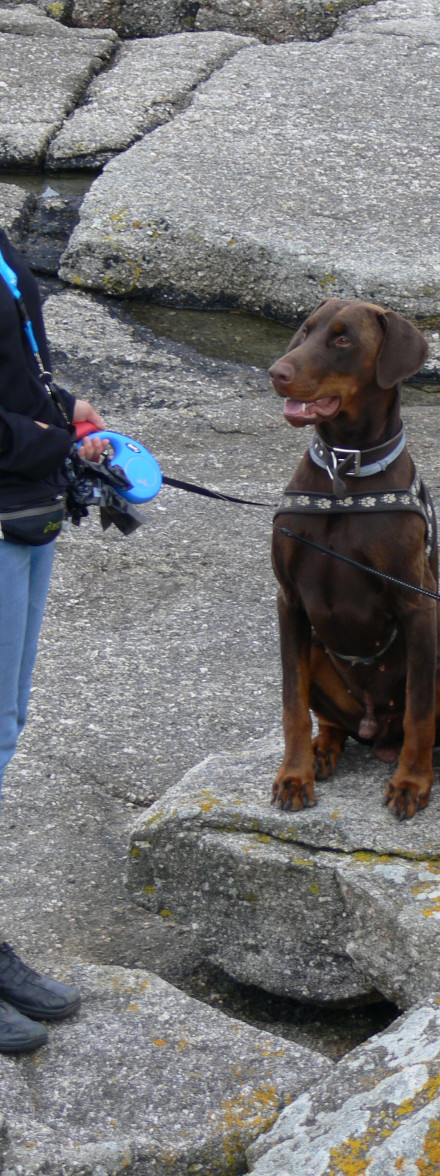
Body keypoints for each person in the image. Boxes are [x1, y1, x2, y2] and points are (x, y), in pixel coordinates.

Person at [0, 227, 105, 1053]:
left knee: (4, 731)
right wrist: (50, 441)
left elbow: (14, 362)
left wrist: (61, 406)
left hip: (23, 511)